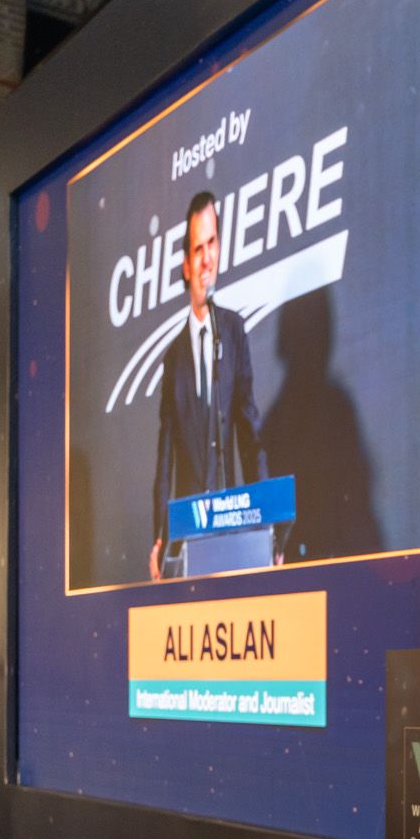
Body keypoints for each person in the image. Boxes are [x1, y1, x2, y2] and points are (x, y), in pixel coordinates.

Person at [148, 191, 267, 580]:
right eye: (198, 249)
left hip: (233, 527)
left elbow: (249, 433)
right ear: (185, 265)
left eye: (212, 243)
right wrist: (160, 535)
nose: (207, 258)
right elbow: (165, 456)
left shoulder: (233, 331)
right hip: (189, 535)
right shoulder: (173, 358)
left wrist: (268, 525)